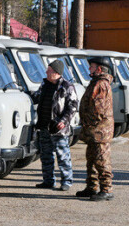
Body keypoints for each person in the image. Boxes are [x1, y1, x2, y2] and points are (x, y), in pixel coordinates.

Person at [31, 60, 78, 191]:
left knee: (63, 156)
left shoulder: (67, 87)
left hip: (58, 129)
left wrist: (63, 121)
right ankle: (48, 181)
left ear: (56, 73)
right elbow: (36, 97)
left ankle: (66, 182)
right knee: (45, 155)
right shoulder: (44, 85)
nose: (46, 72)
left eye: (49, 70)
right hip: (44, 126)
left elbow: (73, 106)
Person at [76, 56, 115, 201]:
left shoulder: (101, 84)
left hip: (100, 131)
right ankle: (91, 187)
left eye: (91, 66)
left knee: (102, 160)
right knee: (91, 160)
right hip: (94, 131)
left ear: (99, 69)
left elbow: (98, 110)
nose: (89, 69)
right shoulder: (96, 82)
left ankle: (106, 189)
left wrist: (89, 123)